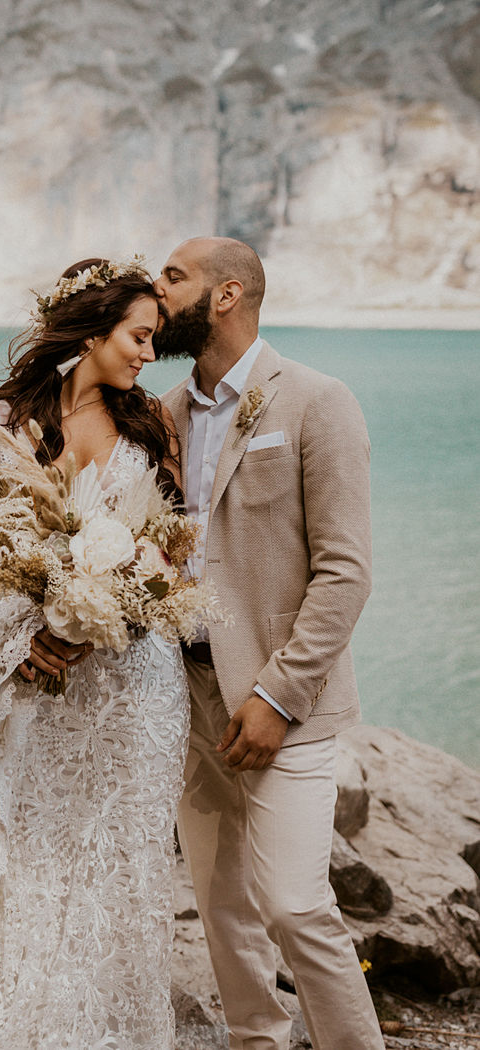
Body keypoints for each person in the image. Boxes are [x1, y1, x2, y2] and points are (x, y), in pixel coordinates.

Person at [0, 258, 190, 1049]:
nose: (146, 355)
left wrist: (120, 603)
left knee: (115, 856)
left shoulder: (150, 423)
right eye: (138, 336)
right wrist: (44, 631)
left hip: (132, 678)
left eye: (155, 342)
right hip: (31, 666)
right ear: (93, 330)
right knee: (27, 843)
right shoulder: (1, 422)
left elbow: (171, 546)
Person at [155, 237, 385, 1050]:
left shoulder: (318, 402)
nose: (157, 290)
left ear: (226, 294)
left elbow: (347, 573)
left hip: (283, 705)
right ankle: (256, 1041)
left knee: (293, 903)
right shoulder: (166, 417)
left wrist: (278, 697)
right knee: (220, 904)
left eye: (173, 277)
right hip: (188, 700)